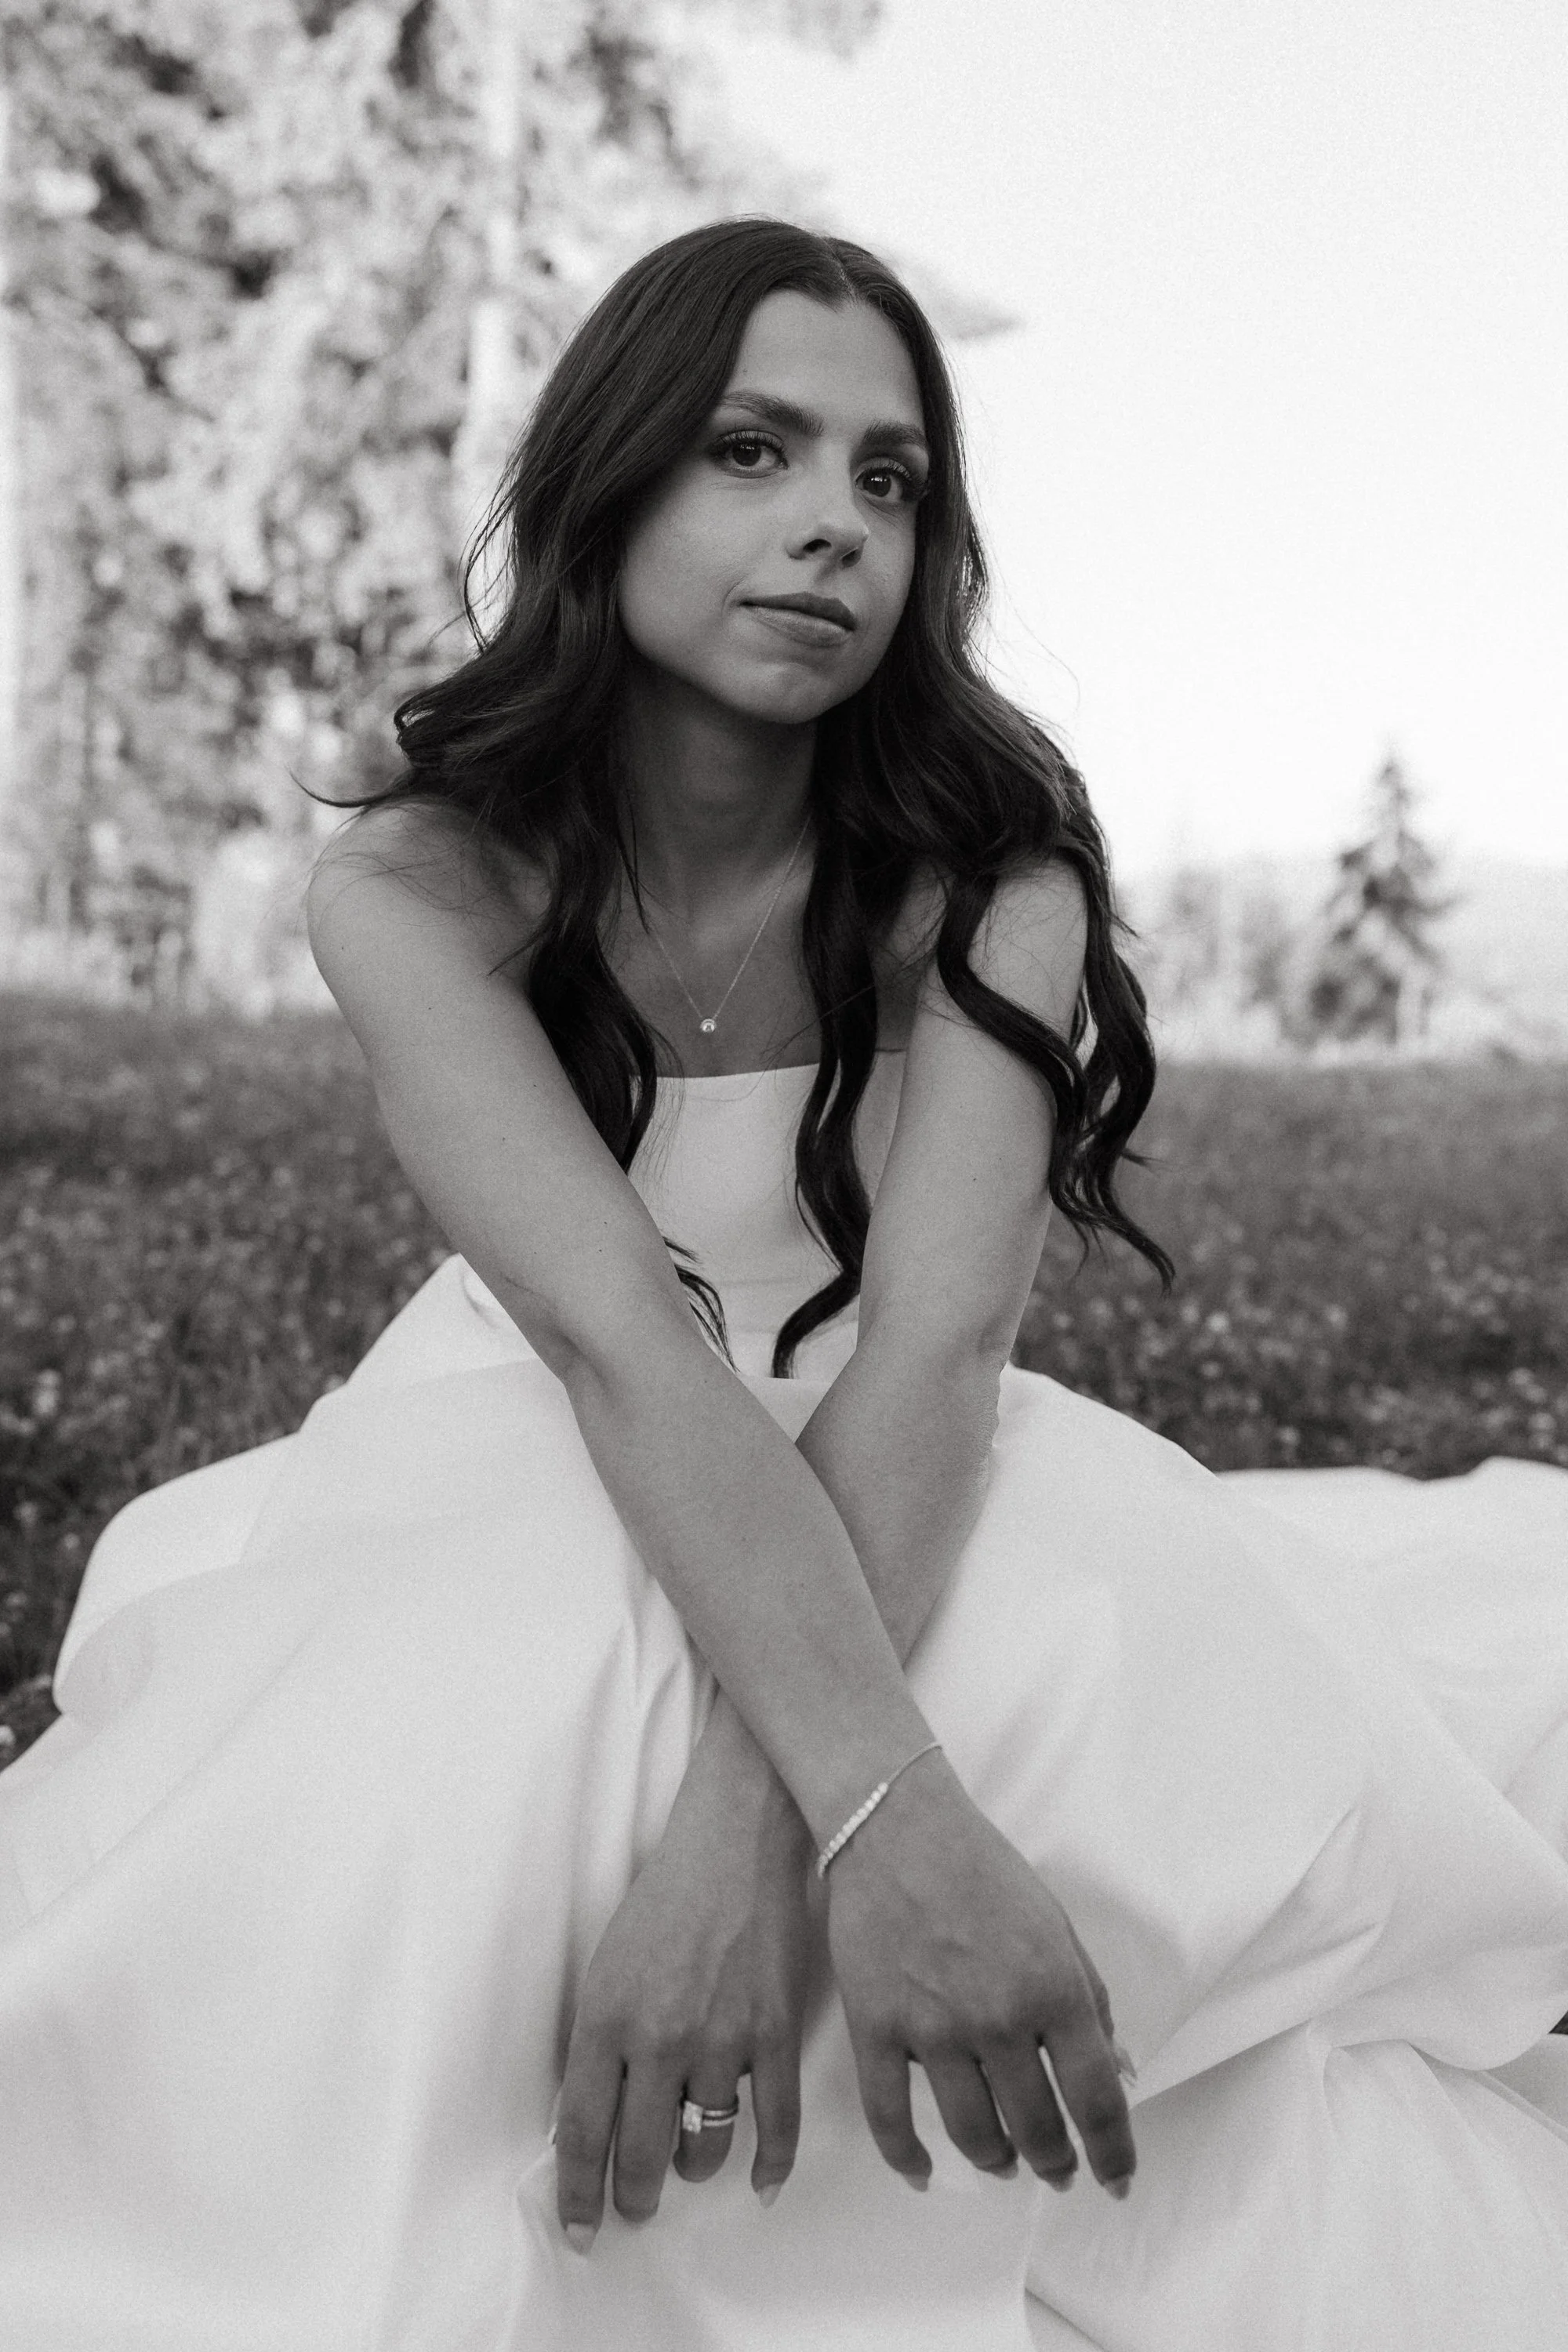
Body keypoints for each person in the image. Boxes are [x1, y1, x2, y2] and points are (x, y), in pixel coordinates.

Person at [1, 218, 1565, 2352]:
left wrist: (807, 1825)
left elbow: (934, 1342)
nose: (831, 523)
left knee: (1060, 1705)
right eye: (751, 451)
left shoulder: (985, 874)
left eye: (887, 478)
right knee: (434, 1790)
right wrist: (853, 1804)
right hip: (539, 1418)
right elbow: (618, 1339)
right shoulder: (417, 886)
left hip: (902, 1427)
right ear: (613, 481)